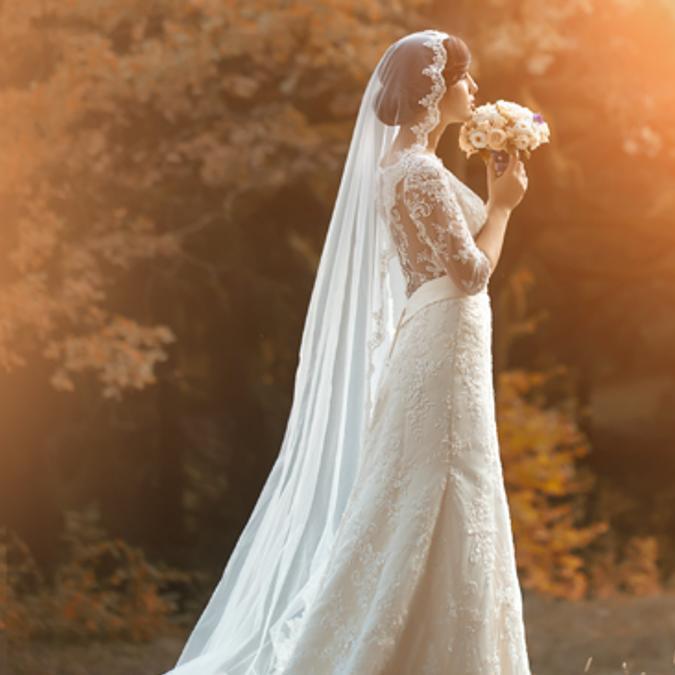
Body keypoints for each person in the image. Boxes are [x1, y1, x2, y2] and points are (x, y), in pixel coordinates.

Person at [165, 29, 533, 674]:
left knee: (443, 479)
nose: (474, 91)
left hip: (443, 333)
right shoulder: (415, 170)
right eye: (466, 79)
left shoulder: (415, 165)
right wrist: (503, 209)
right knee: (442, 478)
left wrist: (488, 181)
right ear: (437, 88)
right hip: (445, 330)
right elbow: (471, 271)